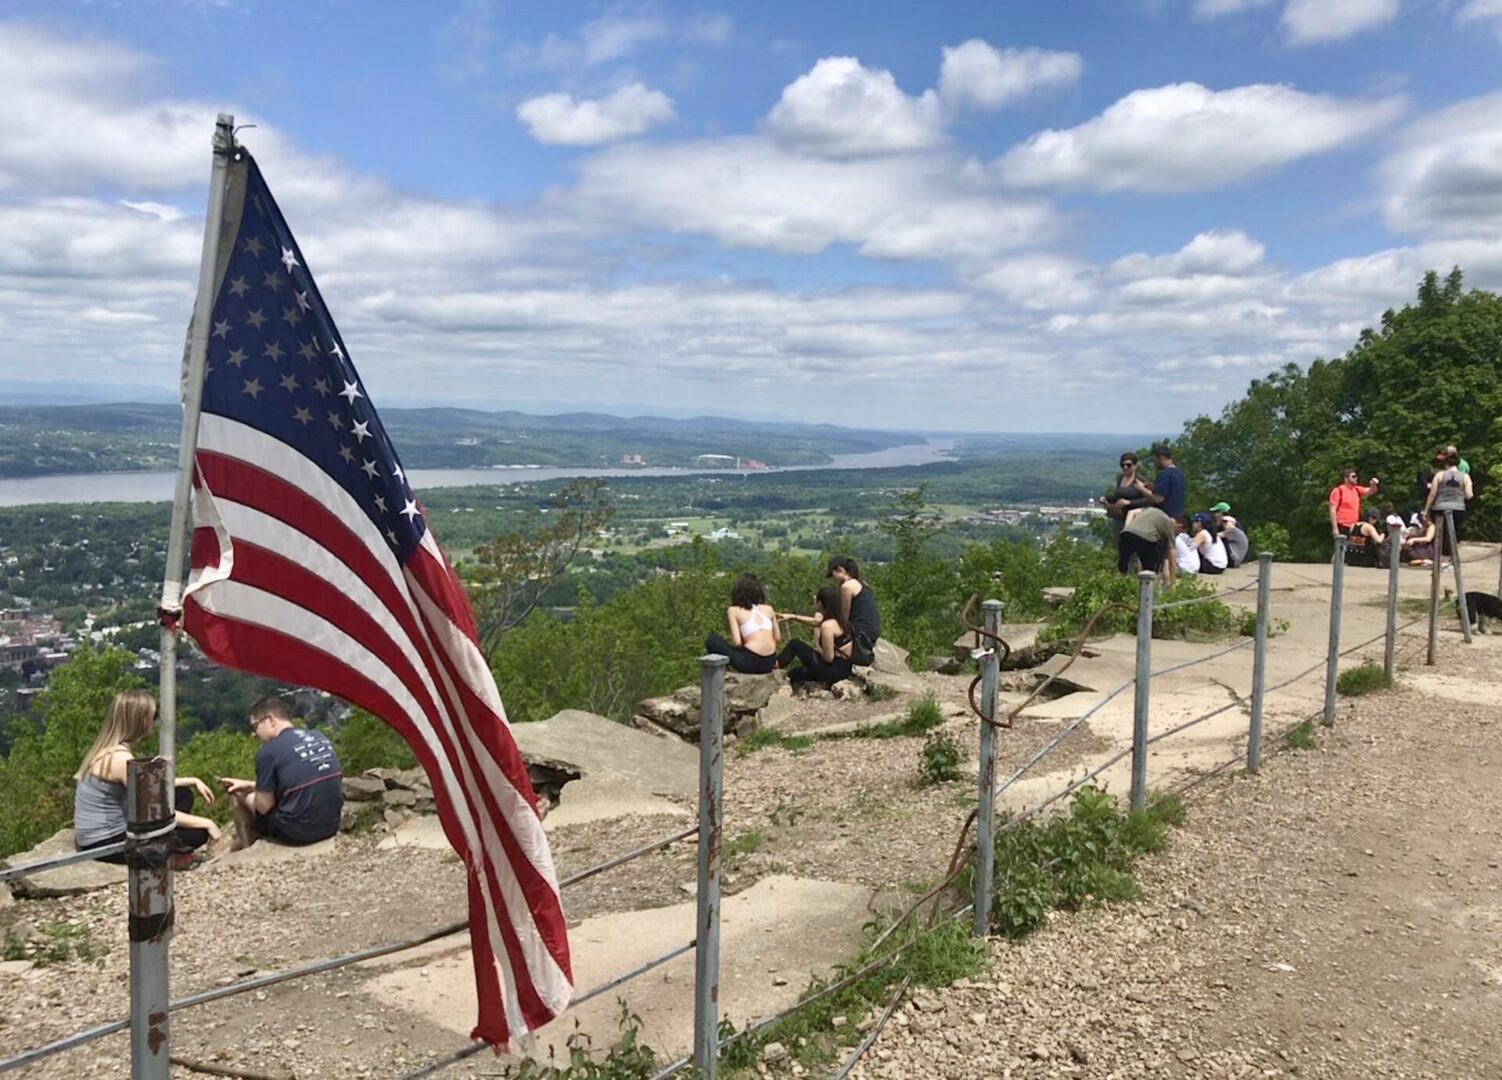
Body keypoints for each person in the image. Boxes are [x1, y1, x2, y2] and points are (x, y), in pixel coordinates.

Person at [74, 689, 220, 866]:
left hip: (94, 839)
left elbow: (150, 787)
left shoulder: (108, 751)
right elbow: (156, 809)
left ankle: (166, 847)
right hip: (107, 844)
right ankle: (166, 855)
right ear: (141, 719)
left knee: (182, 793)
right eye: (153, 715)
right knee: (199, 834)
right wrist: (207, 823)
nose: (154, 721)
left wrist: (193, 780)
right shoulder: (121, 760)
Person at [220, 697, 343, 850]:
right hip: (332, 825)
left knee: (240, 796)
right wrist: (251, 784)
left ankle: (247, 848)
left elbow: (264, 806)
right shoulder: (319, 736)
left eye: (255, 726)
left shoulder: (267, 752)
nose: (254, 734)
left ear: (270, 720)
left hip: (298, 832)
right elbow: (296, 780)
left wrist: (251, 791)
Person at [775, 586, 856, 688]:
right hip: (844, 669)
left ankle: (775, 664)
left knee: (795, 644)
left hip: (833, 671)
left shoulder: (828, 626)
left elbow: (828, 658)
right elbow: (815, 622)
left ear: (821, 604)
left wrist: (815, 653)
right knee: (795, 673)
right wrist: (793, 617)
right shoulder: (842, 621)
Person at [705, 573, 780, 674]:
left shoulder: (733, 610)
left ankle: (724, 673)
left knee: (712, 640)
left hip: (751, 663)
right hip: (770, 662)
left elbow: (737, 642)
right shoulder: (768, 609)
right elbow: (777, 637)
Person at [825, 556, 880, 666]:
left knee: (828, 628)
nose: (833, 579)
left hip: (861, 633)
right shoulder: (862, 583)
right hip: (871, 631)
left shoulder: (847, 587)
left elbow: (845, 617)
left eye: (833, 574)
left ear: (839, 570)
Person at [1424, 449, 1473, 566]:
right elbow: (1469, 495)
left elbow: (1432, 494)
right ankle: (1451, 560)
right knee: (1453, 534)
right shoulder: (1465, 476)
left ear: (1446, 463)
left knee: (1441, 534)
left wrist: (1426, 510)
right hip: (1458, 508)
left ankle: (1440, 559)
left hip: (1440, 508)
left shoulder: (1439, 475)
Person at [1117, 506, 1177, 584]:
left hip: (1126, 534)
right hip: (1146, 539)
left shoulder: (1149, 510)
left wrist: (1126, 528)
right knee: (1150, 572)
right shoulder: (1169, 525)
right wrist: (1173, 582)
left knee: (1123, 567)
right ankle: (1150, 592)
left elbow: (1131, 512)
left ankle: (1118, 586)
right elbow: (1172, 560)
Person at [1102, 452, 1151, 534]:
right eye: (1122, 465)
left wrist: (1129, 502)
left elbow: (1149, 499)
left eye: (1128, 465)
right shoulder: (1121, 478)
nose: (1125, 467)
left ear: (1135, 466)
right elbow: (1118, 496)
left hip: (1134, 519)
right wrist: (1106, 499)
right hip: (1119, 518)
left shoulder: (1140, 480)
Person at [1327, 467, 1380, 542]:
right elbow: (1332, 510)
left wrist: (1373, 484)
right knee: (1341, 549)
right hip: (1343, 526)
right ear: (1346, 478)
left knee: (1355, 548)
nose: (1356, 478)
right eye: (1353, 476)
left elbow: (1371, 491)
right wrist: (1335, 528)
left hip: (1354, 527)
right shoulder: (1338, 490)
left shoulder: (1356, 489)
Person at [1143, 444, 1186, 519]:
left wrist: (1141, 490)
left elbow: (1158, 499)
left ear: (1161, 458)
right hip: (1178, 516)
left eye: (1155, 460)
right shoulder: (1179, 473)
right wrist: (1154, 488)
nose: (1154, 464)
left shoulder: (1164, 474)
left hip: (1164, 516)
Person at [1211, 502, 1249, 568]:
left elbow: (1213, 537)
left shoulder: (1233, 529)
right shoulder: (1237, 527)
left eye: (1216, 512)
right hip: (1237, 559)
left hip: (1233, 559)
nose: (1214, 515)